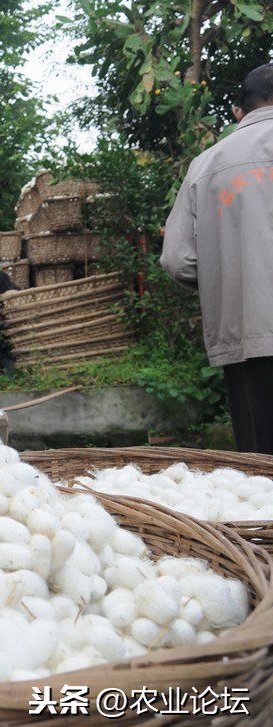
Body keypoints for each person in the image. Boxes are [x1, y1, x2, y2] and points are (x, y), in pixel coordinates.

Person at [162, 63, 273, 454]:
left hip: (248, 334)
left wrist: (227, 280)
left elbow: (176, 260)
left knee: (262, 475)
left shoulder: (206, 165)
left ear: (238, 112)